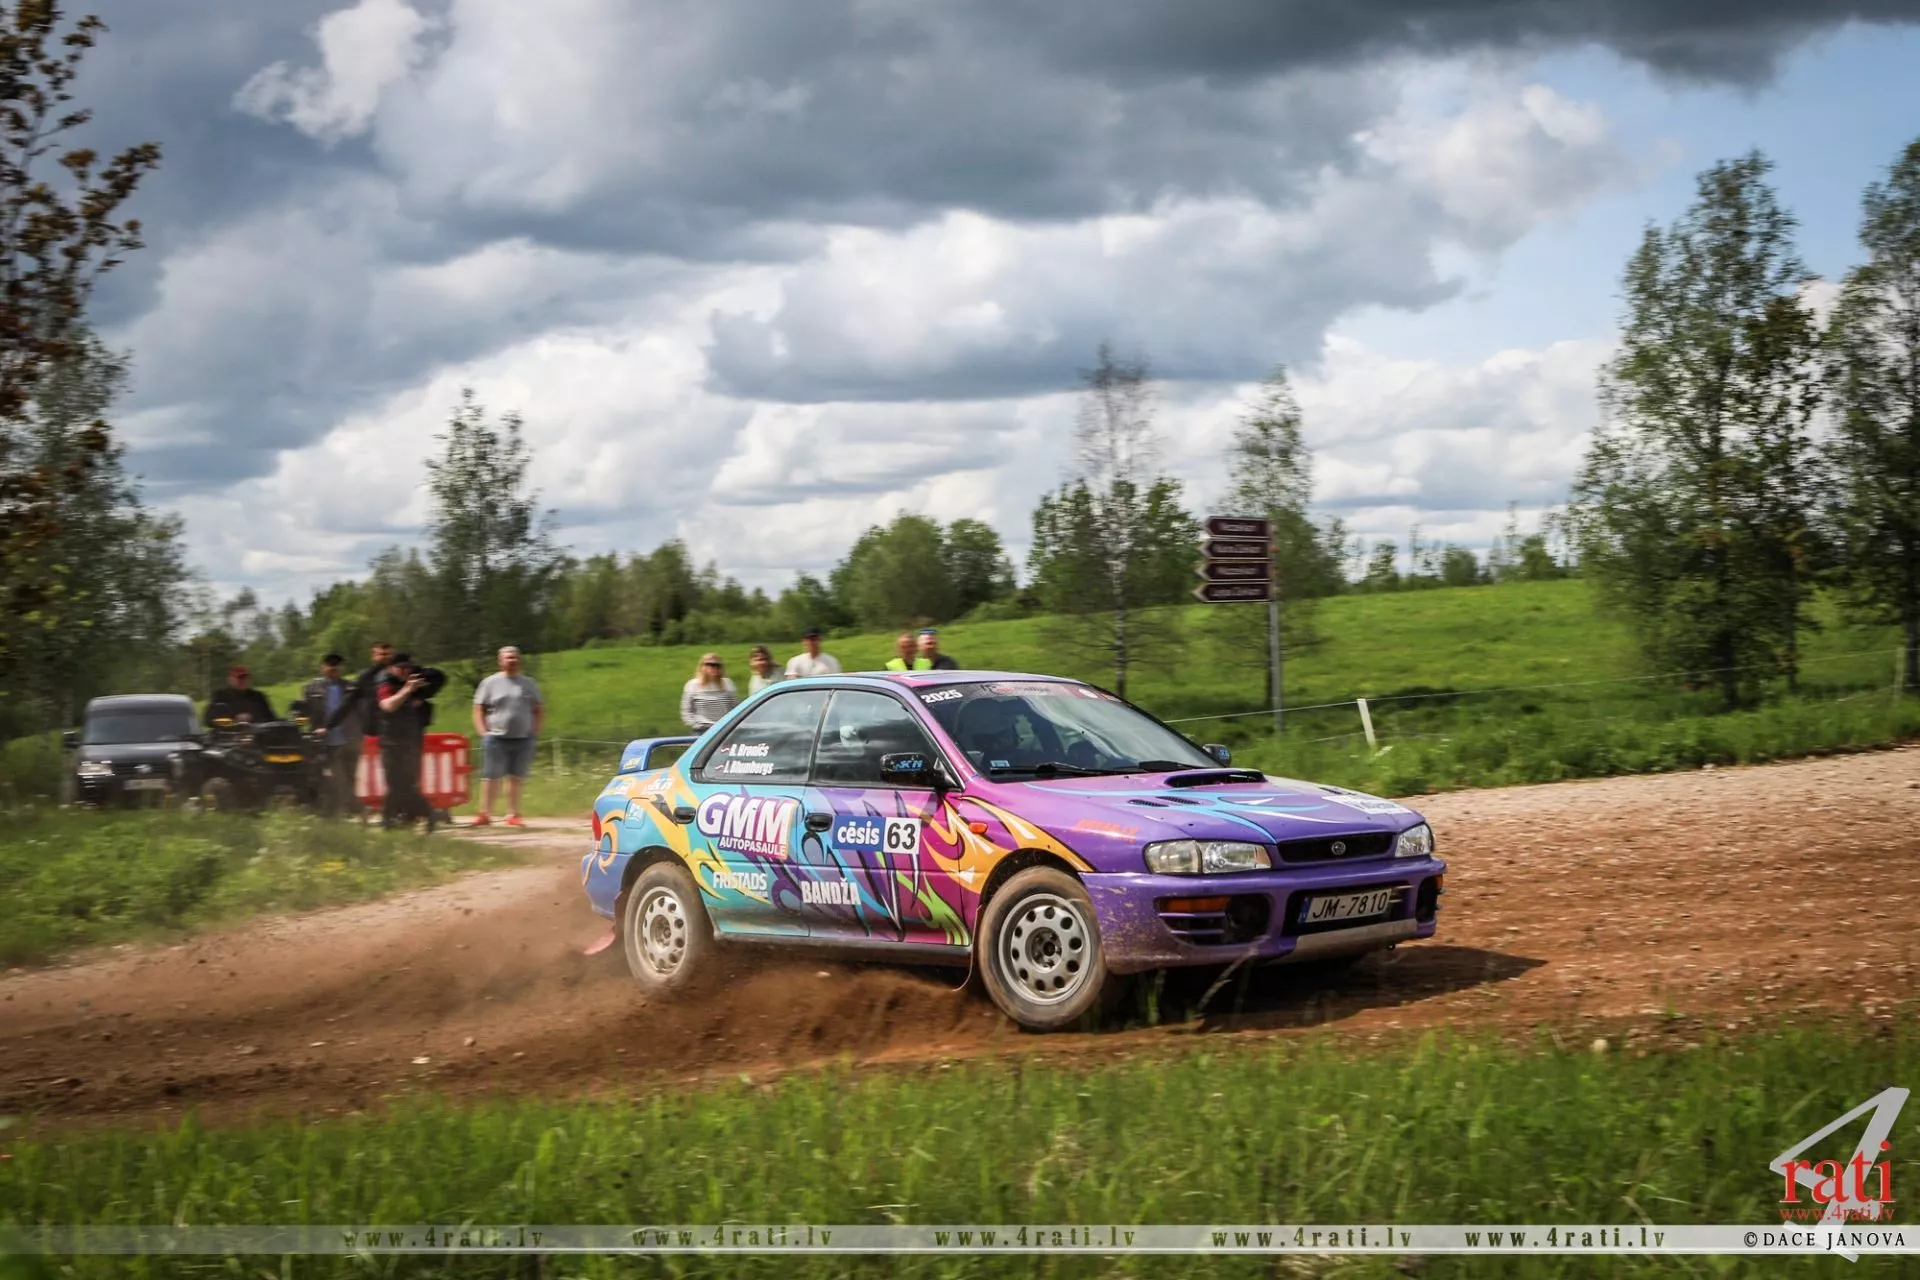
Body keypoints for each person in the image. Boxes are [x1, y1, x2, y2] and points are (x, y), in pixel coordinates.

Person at [472, 645, 543, 828]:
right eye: (508, 657)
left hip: (523, 738)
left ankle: (513, 814)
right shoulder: (489, 683)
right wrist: (483, 732)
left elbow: (538, 709)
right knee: (491, 777)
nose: (512, 660)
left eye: (515, 657)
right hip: (495, 738)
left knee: (516, 777)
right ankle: (485, 814)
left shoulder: (529, 683)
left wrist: (534, 732)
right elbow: (478, 709)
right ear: (500, 661)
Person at [376, 653, 446, 832]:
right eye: (400, 668)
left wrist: (419, 681)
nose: (404, 671)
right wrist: (407, 689)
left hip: (411, 739)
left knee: (409, 781)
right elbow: (388, 706)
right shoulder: (385, 683)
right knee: (394, 781)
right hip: (391, 740)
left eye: (407, 668)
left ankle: (415, 816)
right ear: (391, 668)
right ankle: (396, 818)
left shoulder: (413, 680)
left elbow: (440, 677)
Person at [301, 653, 359, 817]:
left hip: (348, 738)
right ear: (323, 667)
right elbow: (302, 710)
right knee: (335, 776)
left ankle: (349, 807)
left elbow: (359, 711)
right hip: (324, 740)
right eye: (330, 665)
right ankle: (337, 809)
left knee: (350, 775)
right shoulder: (311, 688)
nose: (333, 668)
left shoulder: (350, 687)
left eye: (337, 665)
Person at [680, 653, 738, 732]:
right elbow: (686, 711)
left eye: (717, 665)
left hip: (724, 728)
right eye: (710, 664)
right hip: (702, 729)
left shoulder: (727, 683)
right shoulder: (692, 685)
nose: (714, 668)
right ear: (702, 666)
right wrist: (695, 725)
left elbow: (736, 707)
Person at [205, 666, 276, 726]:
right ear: (230, 680)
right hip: (228, 733)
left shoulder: (258, 697)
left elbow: (271, 719)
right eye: (239, 678)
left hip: (255, 733)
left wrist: (252, 718)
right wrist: (234, 719)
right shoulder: (221, 696)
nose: (243, 681)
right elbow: (209, 720)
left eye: (246, 678)